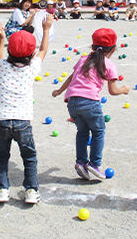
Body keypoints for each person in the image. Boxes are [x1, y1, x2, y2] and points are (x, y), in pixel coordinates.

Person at [52, 28, 130, 180]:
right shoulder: (109, 64)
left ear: (92, 47)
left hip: (72, 102)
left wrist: (60, 90)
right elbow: (113, 91)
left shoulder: (83, 59)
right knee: (98, 131)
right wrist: (124, 90)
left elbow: (71, 77)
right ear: (114, 49)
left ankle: (81, 162)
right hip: (90, 103)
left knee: (82, 132)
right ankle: (94, 164)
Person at [0, 15, 54, 204]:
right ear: (30, 53)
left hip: (2, 120)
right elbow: (43, 49)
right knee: (29, 156)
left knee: (2, 157)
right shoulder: (32, 68)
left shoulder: (2, 66)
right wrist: (46, 29)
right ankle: (31, 190)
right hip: (22, 122)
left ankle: (2, 190)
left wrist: (2, 39)